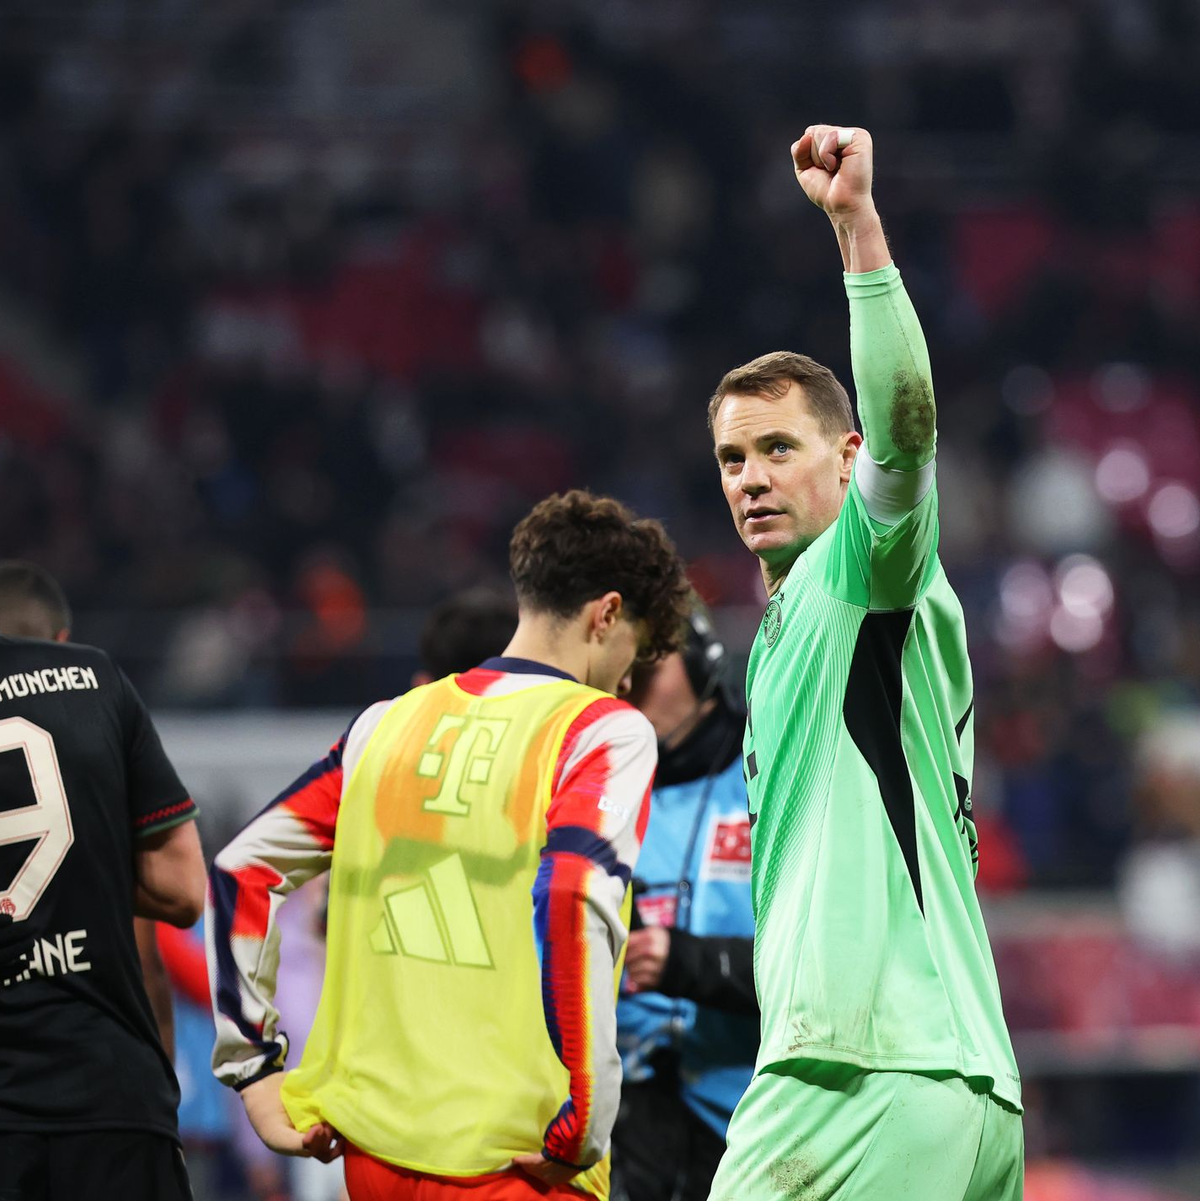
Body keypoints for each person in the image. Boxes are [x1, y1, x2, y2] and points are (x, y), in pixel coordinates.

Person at [207, 490, 692, 1201]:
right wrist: (585, 1123)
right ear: (607, 614)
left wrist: (252, 1070)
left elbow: (243, 866)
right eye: (635, 655)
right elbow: (569, 893)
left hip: (372, 1156)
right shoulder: (602, 729)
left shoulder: (387, 723)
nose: (629, 680)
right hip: (516, 1160)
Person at [705, 126, 1024, 1201]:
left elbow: (906, 428)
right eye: (733, 458)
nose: (750, 477)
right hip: (965, 1083)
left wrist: (855, 226)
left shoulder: (865, 570)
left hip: (855, 1072)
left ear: (844, 461)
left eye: (779, 448)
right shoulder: (801, 626)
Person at [0, 560, 206, 1200]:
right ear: (58, 639)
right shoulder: (95, 676)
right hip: (112, 1093)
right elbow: (183, 889)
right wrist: (89, 850)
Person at [612, 604, 757, 1201]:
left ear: (703, 666)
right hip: (632, 1123)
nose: (630, 684)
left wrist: (683, 961)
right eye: (624, 671)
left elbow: (829, 965)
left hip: (752, 1121)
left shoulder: (769, 771)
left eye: (651, 666)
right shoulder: (603, 791)